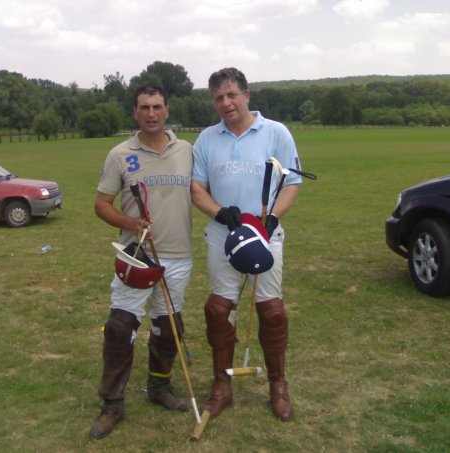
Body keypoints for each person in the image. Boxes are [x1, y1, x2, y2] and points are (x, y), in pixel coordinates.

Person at [191, 67, 302, 422]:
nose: (226, 103)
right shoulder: (207, 138)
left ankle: (278, 386)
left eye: (232, 95)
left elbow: (292, 183)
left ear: (247, 95)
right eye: (218, 98)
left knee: (272, 312)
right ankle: (221, 387)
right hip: (223, 235)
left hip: (265, 235)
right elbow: (197, 188)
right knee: (218, 310)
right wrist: (220, 212)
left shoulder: (276, 132)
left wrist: (273, 218)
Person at [90, 83, 193, 440]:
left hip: (178, 254)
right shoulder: (120, 154)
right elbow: (101, 205)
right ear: (135, 112)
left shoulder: (186, 150)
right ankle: (112, 403)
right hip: (136, 256)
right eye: (144, 107)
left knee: (168, 326)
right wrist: (130, 223)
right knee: (120, 327)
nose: (151, 113)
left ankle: (159, 387)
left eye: (157, 106)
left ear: (167, 110)